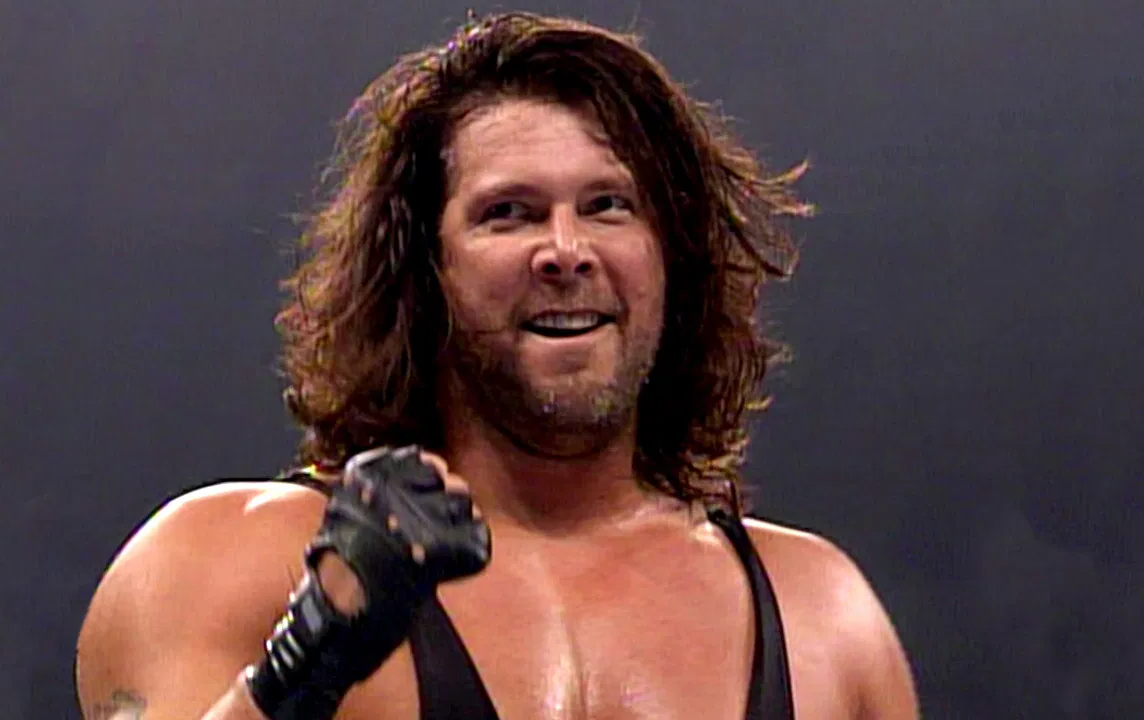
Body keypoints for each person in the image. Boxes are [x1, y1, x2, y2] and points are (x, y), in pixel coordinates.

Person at [76, 11, 919, 720]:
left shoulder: (822, 622)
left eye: (608, 206)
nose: (566, 250)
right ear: (425, 269)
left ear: (672, 258)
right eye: (509, 213)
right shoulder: (226, 563)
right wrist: (310, 656)